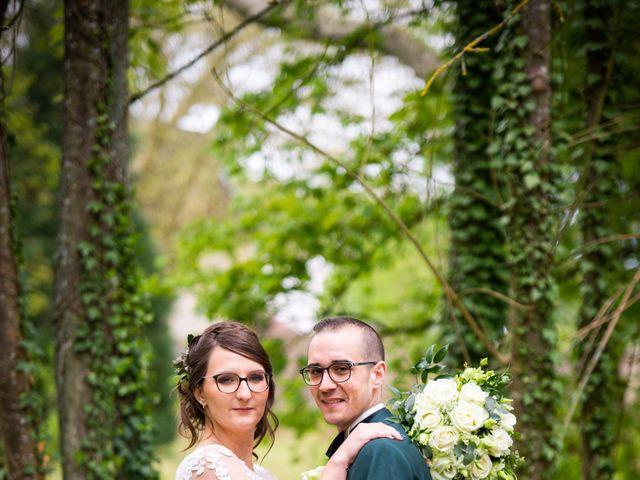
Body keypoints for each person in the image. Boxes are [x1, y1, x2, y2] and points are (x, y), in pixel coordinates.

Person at [174, 321, 402, 480]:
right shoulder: (207, 466)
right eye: (225, 380)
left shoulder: (261, 474)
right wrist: (339, 459)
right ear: (199, 392)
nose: (244, 394)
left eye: (255, 377)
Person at [300, 316, 432, 480]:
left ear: (377, 374)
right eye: (315, 371)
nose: (324, 386)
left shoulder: (382, 451)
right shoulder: (355, 447)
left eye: (341, 369)